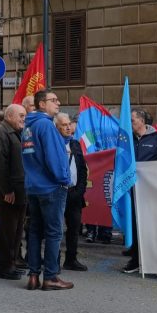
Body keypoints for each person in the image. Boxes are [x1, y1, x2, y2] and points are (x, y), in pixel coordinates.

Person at [22, 89, 73, 291]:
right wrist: (64, 179)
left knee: (35, 232)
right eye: (53, 100)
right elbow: (54, 156)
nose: (58, 103)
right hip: (51, 186)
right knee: (53, 233)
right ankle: (51, 276)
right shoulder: (45, 125)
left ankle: (33, 275)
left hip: (33, 186)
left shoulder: (29, 125)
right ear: (42, 104)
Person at [123, 109, 157, 274]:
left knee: (154, 226)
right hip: (132, 190)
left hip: (152, 191)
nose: (129, 123)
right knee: (135, 225)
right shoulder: (126, 139)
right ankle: (136, 259)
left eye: (132, 120)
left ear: (142, 121)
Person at [0, 104, 27, 280]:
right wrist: (7, 190)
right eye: (21, 116)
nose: (24, 119)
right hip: (8, 193)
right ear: (9, 116)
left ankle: (12, 262)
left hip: (18, 191)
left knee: (16, 230)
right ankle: (4, 267)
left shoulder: (13, 133)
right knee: (8, 231)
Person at [55, 112, 89, 273]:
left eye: (69, 124)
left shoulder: (75, 144)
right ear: (56, 127)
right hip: (57, 192)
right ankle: (53, 259)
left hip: (74, 193)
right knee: (54, 228)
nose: (68, 127)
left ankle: (71, 259)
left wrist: (80, 190)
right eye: (64, 125)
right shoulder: (53, 144)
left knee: (74, 228)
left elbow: (82, 169)